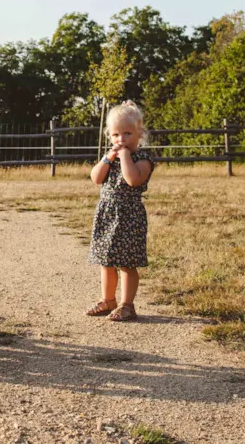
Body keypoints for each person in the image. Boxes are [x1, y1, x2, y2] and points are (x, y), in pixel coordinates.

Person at [85, 101, 155, 322]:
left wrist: (124, 156)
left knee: (126, 263)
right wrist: (107, 158)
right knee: (106, 260)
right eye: (116, 135)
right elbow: (96, 178)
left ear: (139, 134)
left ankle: (127, 305)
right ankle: (108, 300)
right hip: (107, 214)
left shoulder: (142, 159)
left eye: (127, 134)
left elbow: (133, 180)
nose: (121, 140)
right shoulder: (110, 157)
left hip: (129, 216)